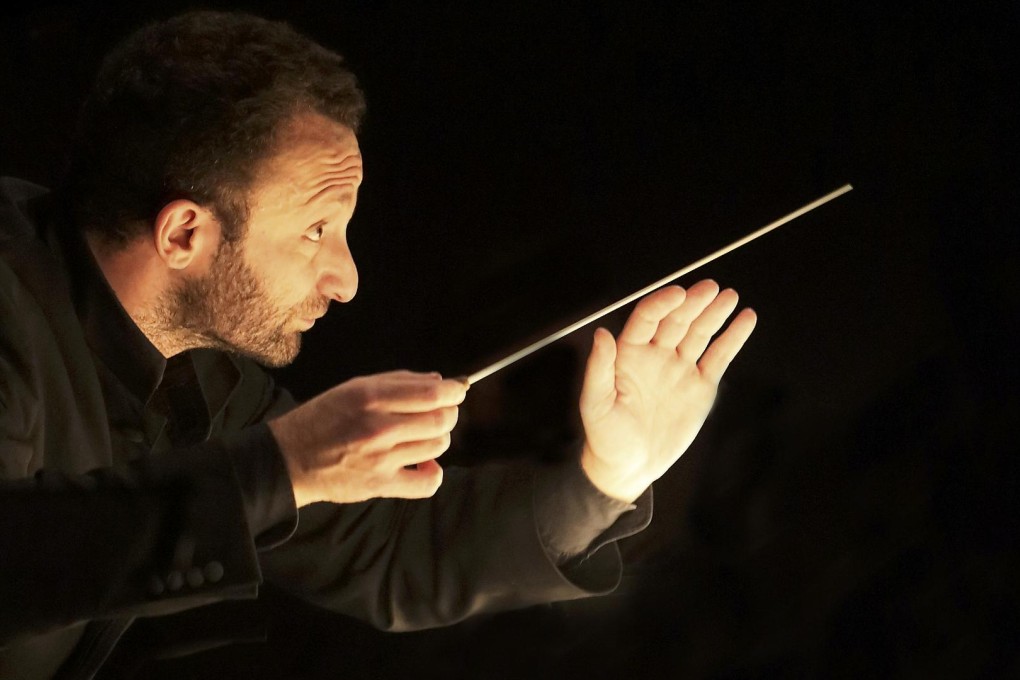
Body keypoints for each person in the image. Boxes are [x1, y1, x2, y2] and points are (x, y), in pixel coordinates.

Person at [0, 10, 757, 679]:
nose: (346, 278)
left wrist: (606, 477)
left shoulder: (201, 376)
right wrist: (284, 465)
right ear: (185, 233)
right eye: (316, 229)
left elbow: (391, 549)